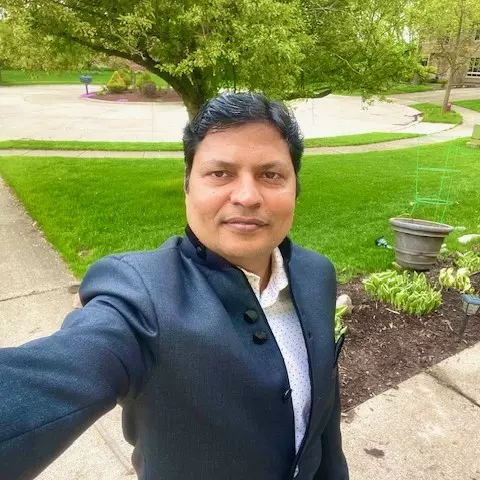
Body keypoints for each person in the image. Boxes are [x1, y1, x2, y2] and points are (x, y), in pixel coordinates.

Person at [0, 92, 349, 480]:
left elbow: (324, 426)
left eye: (270, 175)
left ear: (295, 188)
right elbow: (60, 372)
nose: (248, 196)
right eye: (220, 173)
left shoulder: (316, 274)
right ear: (187, 186)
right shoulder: (142, 298)